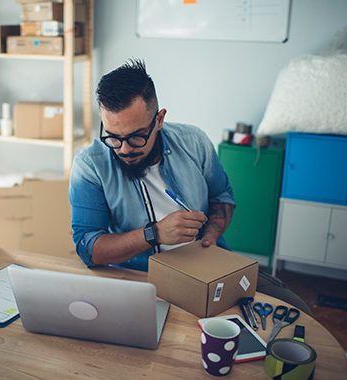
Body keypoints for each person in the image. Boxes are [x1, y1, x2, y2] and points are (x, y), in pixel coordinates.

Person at [69, 59, 311, 315]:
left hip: (206, 265)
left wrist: (211, 235)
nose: (125, 149)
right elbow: (88, 247)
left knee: (297, 309)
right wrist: (154, 234)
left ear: (159, 120)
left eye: (137, 136)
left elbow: (222, 196)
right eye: (113, 137)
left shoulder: (193, 142)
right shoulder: (90, 165)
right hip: (138, 277)